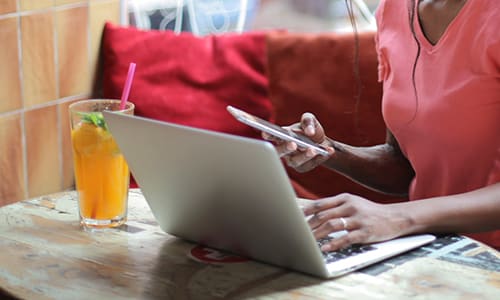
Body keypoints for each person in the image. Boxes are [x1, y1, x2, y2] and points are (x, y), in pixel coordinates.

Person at [263, 0, 500, 251]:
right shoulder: (394, 9)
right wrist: (328, 150)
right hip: (436, 250)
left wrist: (399, 217)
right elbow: (403, 166)